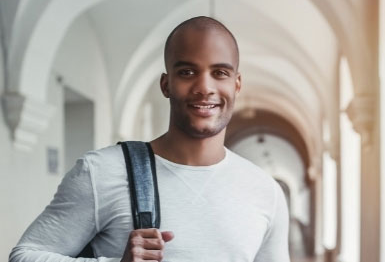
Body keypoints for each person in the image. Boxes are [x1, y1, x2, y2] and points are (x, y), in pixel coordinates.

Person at [9, 16, 290, 262]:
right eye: (187, 72)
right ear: (166, 84)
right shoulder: (102, 172)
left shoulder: (266, 192)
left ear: (236, 84)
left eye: (220, 73)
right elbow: (24, 255)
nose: (205, 87)